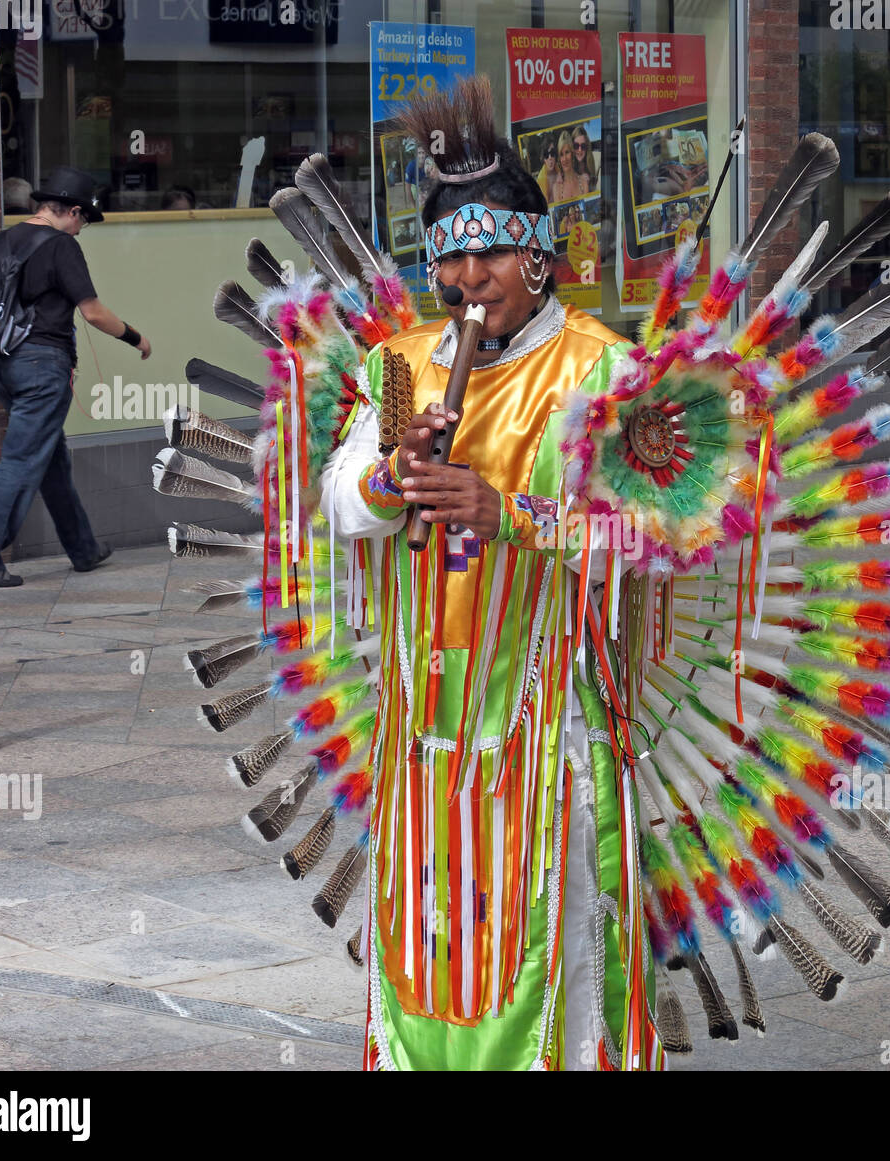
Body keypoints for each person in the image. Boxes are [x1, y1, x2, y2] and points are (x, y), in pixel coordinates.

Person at [319, 76, 648, 1070]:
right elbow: (338, 506)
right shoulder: (402, 363)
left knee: (553, 941)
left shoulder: (603, 369)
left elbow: (663, 535)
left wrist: (510, 515)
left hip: (553, 722)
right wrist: (391, 470)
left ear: (538, 256)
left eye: (491, 250)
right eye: (450, 255)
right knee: (427, 941)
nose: (470, 275)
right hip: (426, 726)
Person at [0, 165, 152, 587]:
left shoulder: (1, 242)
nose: (83, 228)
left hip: (4, 364)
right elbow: (92, 311)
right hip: (42, 367)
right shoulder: (61, 246)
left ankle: (82, 548)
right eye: (84, 218)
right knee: (19, 461)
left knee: (50, 457)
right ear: (71, 211)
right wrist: (136, 338)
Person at [549, 129, 587, 203]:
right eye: (561, 154)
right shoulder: (556, 188)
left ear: (572, 153)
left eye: (567, 152)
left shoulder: (583, 182)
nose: (564, 159)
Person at [570, 123, 598, 192]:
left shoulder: (593, 165)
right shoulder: (568, 167)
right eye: (576, 146)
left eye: (583, 146)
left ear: (587, 147)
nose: (579, 150)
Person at [535, 134, 557, 200]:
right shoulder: (541, 179)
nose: (550, 158)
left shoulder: (561, 171)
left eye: (552, 153)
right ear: (543, 158)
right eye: (546, 155)